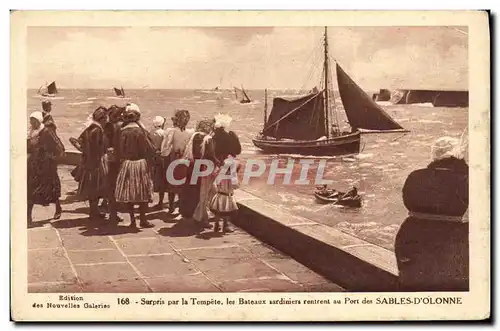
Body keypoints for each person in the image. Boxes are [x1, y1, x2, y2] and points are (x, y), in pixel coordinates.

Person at [395, 136, 469, 291]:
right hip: (453, 240)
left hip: (411, 237)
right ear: (459, 155)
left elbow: (408, 202)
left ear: (434, 155)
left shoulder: (415, 176)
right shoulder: (468, 178)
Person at [115, 103, 156, 228]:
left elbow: (119, 149)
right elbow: (148, 149)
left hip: (127, 164)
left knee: (129, 193)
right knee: (143, 192)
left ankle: (132, 220)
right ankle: (143, 220)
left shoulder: (122, 131)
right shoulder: (140, 131)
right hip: (140, 163)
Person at [27, 111, 64, 225]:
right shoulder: (31, 132)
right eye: (30, 120)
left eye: (34, 121)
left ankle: (58, 207)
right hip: (34, 166)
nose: (31, 123)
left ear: (39, 121)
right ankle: (28, 217)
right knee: (30, 191)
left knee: (51, 190)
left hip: (47, 167)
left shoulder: (47, 131)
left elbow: (59, 147)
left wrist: (52, 159)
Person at [183, 119, 219, 228]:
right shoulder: (208, 139)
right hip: (206, 167)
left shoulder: (195, 136)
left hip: (194, 166)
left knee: (200, 193)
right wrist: (219, 163)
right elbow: (211, 155)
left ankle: (201, 215)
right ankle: (203, 218)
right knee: (208, 193)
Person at [77, 106, 109, 221]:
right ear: (102, 118)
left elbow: (79, 142)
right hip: (97, 162)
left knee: (92, 188)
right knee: (97, 187)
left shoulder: (90, 128)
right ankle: (94, 213)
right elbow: (97, 148)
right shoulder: (98, 130)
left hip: (89, 162)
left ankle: (93, 212)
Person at [160, 109, 192, 214]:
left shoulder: (173, 131)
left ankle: (174, 206)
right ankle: (175, 207)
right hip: (180, 159)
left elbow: (165, 147)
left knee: (176, 184)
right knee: (178, 184)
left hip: (178, 158)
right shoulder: (187, 132)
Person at [103, 105, 125, 223]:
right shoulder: (116, 127)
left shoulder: (109, 126)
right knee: (114, 187)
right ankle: (113, 213)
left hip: (111, 159)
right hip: (115, 160)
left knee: (111, 187)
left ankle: (112, 212)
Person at [210, 156, 240, 233]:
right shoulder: (232, 177)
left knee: (218, 212)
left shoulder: (220, 174)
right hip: (227, 196)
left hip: (219, 195)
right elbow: (236, 186)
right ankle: (225, 226)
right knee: (227, 213)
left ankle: (216, 225)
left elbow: (215, 182)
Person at [150, 116, 167, 209]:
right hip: (161, 157)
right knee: (162, 180)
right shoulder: (163, 133)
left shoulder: (150, 132)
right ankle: (160, 202)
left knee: (151, 178)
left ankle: (150, 197)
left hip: (152, 157)